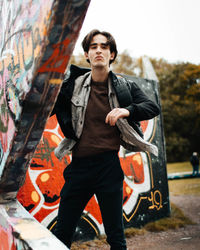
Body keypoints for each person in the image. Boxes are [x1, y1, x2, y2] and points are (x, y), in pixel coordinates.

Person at [51, 29, 160, 249]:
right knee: (61, 234)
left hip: (108, 167)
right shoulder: (72, 86)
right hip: (79, 168)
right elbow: (45, 106)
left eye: (104, 47)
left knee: (116, 237)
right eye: (93, 47)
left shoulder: (125, 86)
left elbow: (152, 107)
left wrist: (126, 111)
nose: (99, 50)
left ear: (112, 55)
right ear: (87, 55)